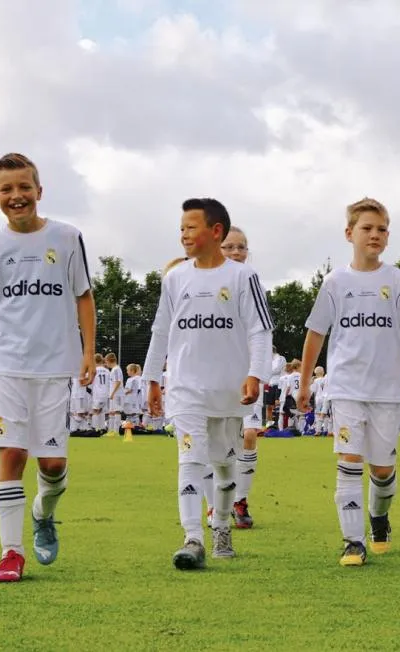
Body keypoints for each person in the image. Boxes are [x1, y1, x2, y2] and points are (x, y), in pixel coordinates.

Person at [0, 152, 96, 582]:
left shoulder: (68, 238)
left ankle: (42, 513)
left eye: (24, 187)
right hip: (6, 367)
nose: (16, 196)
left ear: (39, 191)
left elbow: (84, 297)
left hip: (55, 367)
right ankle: (10, 553)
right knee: (11, 452)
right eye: (7, 189)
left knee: (52, 466)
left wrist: (88, 351)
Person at [143, 198, 273, 570]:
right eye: (181, 227)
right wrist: (153, 378)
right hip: (185, 388)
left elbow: (260, 329)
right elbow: (161, 330)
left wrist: (256, 375)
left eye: (191, 226)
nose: (183, 233)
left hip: (229, 391)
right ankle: (192, 537)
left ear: (215, 232)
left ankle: (221, 527)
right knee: (189, 459)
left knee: (224, 465)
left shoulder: (242, 277)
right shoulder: (175, 278)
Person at [296, 197, 400, 567]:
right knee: (349, 460)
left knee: (382, 471)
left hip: (386, 390)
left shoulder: (396, 279)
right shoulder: (335, 282)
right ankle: (353, 541)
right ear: (349, 233)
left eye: (381, 229)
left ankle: (379, 517)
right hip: (346, 387)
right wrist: (305, 383)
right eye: (367, 228)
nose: (375, 235)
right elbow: (315, 334)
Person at [221, 225, 263, 529]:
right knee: (220, 446)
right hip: (217, 378)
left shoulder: (253, 284)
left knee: (249, 436)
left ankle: (240, 500)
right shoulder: (203, 283)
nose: (237, 252)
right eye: (230, 247)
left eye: (242, 247)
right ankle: (216, 504)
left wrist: (257, 372)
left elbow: (262, 332)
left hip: (247, 379)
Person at [105, 352, 123, 436]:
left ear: (109, 360)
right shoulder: (114, 369)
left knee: (117, 411)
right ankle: (111, 431)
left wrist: (112, 393)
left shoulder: (116, 369)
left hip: (117, 394)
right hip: (114, 394)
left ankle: (116, 431)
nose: (106, 363)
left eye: (106, 361)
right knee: (112, 412)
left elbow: (118, 382)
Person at [91, 353, 109, 434]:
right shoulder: (107, 371)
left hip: (97, 393)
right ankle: (102, 428)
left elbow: (89, 381)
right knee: (101, 411)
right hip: (106, 393)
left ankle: (95, 428)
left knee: (95, 411)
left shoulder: (94, 370)